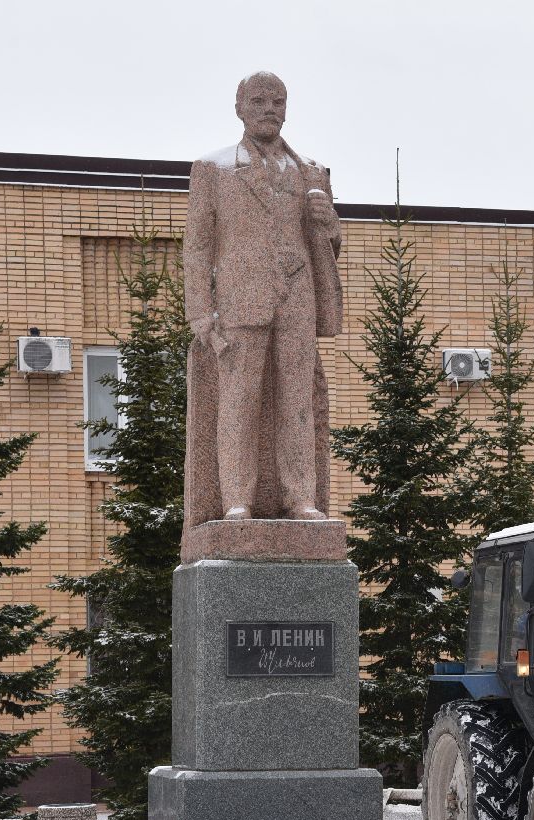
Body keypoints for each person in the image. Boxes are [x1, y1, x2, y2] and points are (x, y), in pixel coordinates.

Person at [182, 71, 343, 525]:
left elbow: (329, 246)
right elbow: (196, 246)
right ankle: (237, 499)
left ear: (286, 109)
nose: (269, 108)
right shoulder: (214, 168)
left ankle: (301, 499)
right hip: (240, 301)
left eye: (277, 100)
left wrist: (328, 221)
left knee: (298, 402)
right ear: (240, 108)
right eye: (258, 100)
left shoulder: (311, 170)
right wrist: (200, 312)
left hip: (298, 299)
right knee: (239, 402)